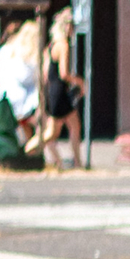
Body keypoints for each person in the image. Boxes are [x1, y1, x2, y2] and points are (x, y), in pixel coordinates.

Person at [35, 10, 85, 168]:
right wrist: (79, 81)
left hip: (52, 91)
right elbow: (64, 73)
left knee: (67, 127)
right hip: (60, 92)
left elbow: (44, 74)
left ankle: (64, 161)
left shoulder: (50, 46)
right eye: (71, 26)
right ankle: (30, 150)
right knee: (54, 132)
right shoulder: (63, 45)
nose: (73, 30)